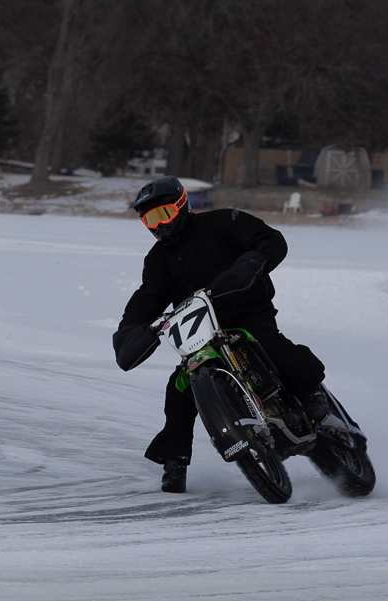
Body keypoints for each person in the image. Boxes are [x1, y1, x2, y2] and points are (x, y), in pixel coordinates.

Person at [112, 176, 328, 494]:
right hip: (202, 334)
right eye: (150, 218)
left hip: (247, 311)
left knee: (268, 343)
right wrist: (133, 331)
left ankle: (313, 396)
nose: (159, 224)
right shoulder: (157, 260)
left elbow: (270, 240)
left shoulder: (221, 222)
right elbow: (148, 297)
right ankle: (175, 462)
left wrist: (251, 263)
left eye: (164, 213)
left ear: (182, 205)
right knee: (179, 389)